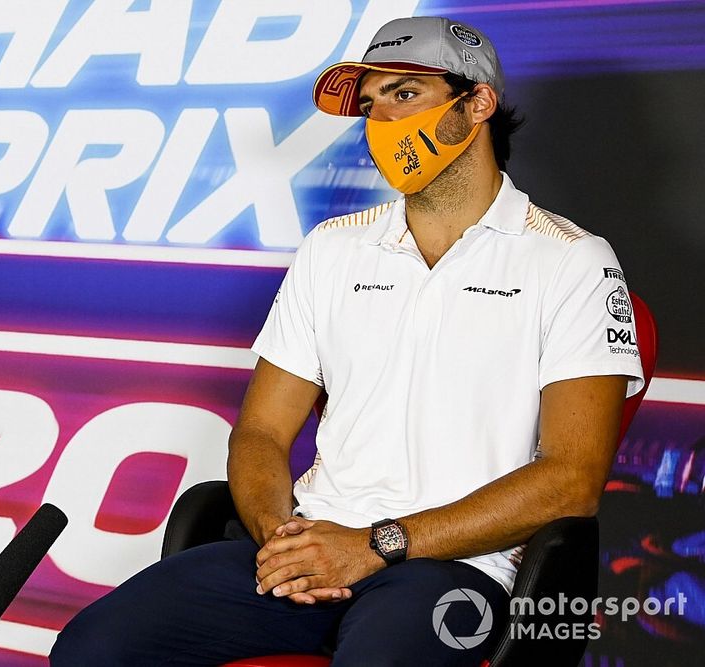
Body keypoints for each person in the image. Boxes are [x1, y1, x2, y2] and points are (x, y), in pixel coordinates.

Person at [49, 16, 644, 666]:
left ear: (477, 102)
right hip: (317, 538)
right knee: (92, 648)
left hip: (455, 569)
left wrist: (373, 544)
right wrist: (286, 541)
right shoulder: (332, 250)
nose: (381, 120)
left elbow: (571, 481)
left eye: (404, 93)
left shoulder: (569, 260)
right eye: (370, 103)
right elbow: (261, 434)